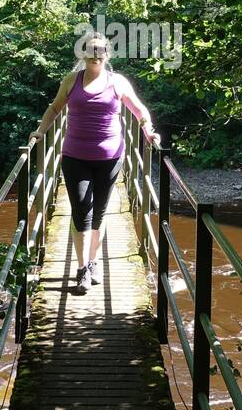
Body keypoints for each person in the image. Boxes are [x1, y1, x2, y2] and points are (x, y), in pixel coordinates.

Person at [31, 33, 160, 294]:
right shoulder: (71, 81)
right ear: (83, 53)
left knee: (99, 214)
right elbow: (55, 109)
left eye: (100, 50)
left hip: (109, 158)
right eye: (90, 49)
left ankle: (93, 262)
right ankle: (82, 269)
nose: (95, 54)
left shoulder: (118, 82)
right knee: (81, 212)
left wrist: (148, 130)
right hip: (75, 156)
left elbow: (139, 110)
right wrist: (40, 132)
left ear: (107, 54)